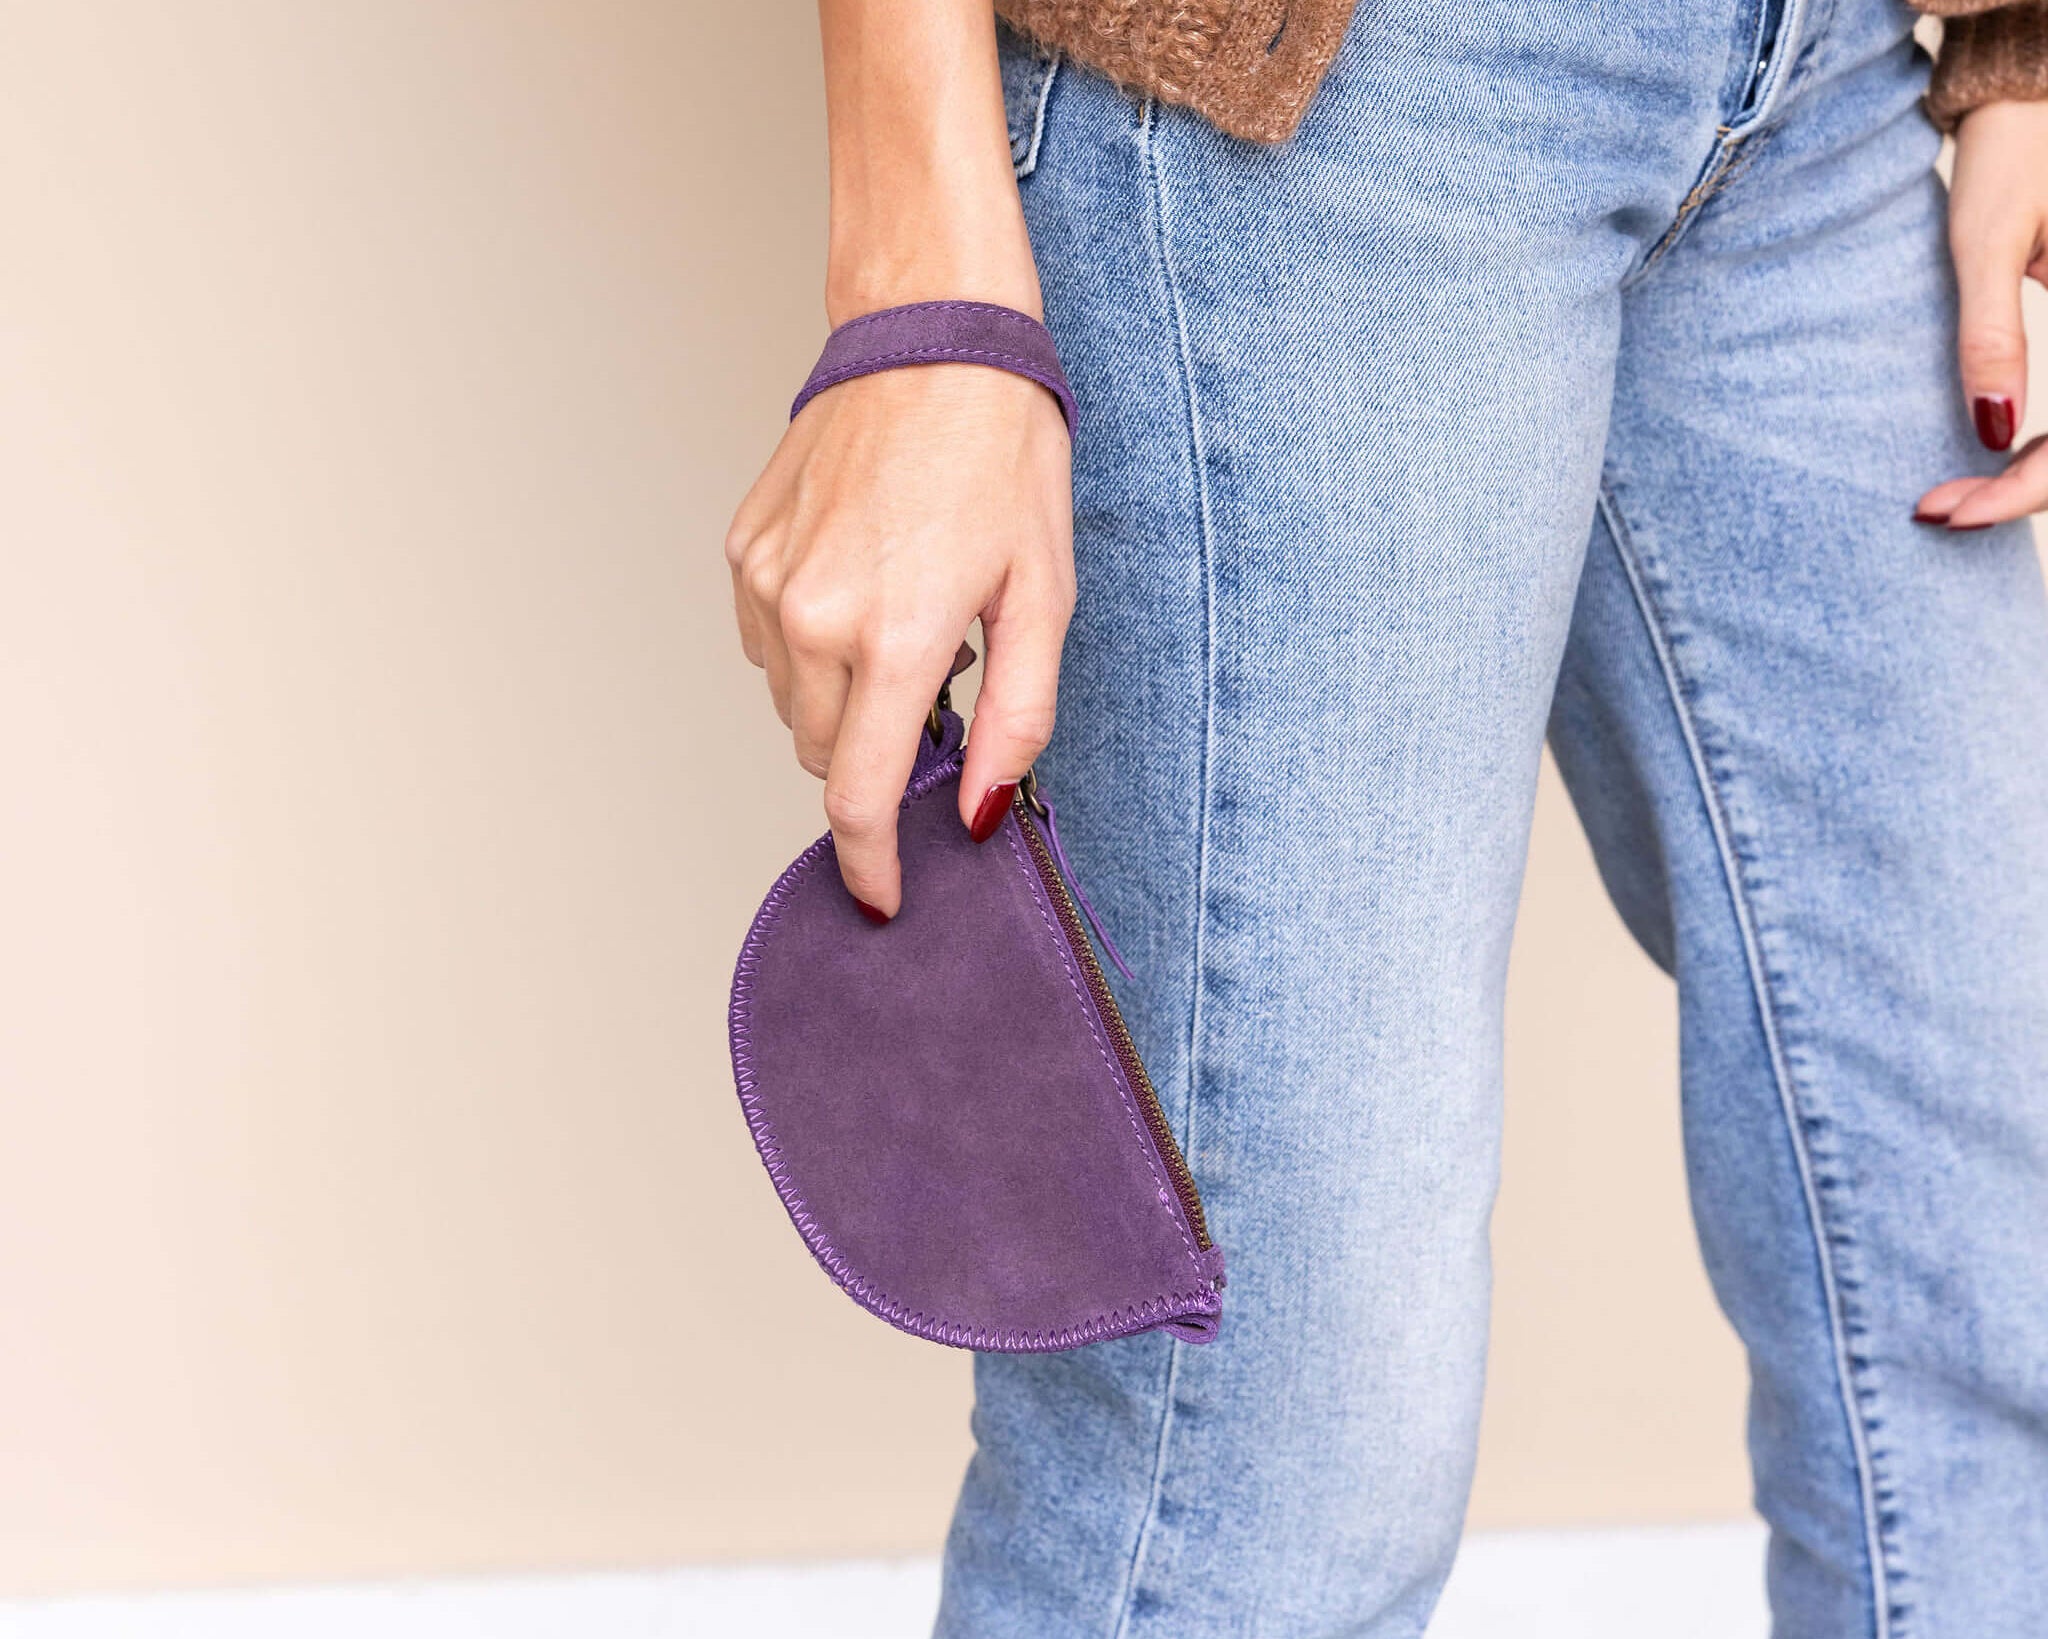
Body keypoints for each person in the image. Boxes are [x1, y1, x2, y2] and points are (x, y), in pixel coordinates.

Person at [725, 1, 2048, 1632]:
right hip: (1325, 109)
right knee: (1269, 1460)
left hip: (1824, 81)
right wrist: (914, 267)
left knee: (1996, 1290)